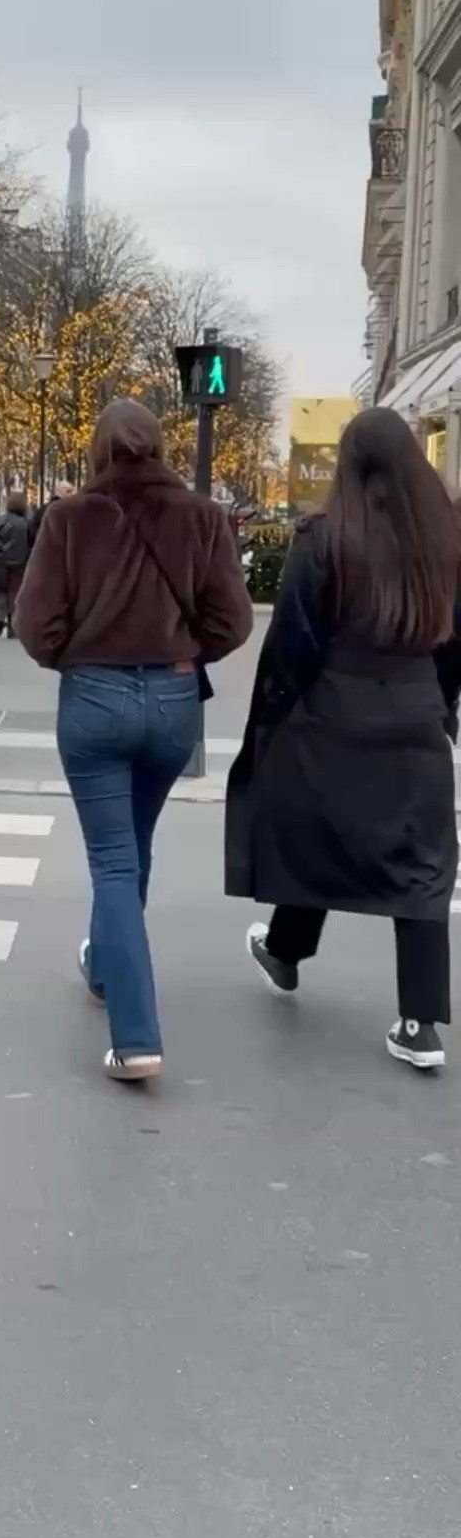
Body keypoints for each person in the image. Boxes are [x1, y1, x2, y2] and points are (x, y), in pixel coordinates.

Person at [16, 400, 252, 1081]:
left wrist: (76, 654)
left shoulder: (69, 518)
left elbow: (36, 624)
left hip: (94, 695)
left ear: (97, 449)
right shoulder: (202, 517)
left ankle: (137, 1035)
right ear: (158, 446)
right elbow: (232, 620)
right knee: (133, 843)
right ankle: (104, 964)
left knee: (113, 860)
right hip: (175, 698)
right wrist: (182, 650)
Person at [226, 405, 461, 1071]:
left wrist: (273, 711)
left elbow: (294, 642)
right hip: (416, 718)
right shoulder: (446, 542)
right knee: (420, 869)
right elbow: (456, 644)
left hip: (332, 716)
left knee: (316, 838)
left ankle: (285, 952)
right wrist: (439, 705)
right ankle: (419, 1024)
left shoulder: (324, 538)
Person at [0, 490, 31, 636]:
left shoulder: (0, 521)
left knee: (0, 589)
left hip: (1, 561)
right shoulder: (25, 523)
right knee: (15, 591)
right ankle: (13, 624)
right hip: (20, 561)